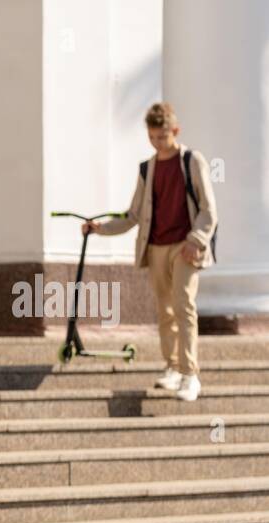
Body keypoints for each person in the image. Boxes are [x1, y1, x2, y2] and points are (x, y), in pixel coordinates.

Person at [86, 101, 218, 402]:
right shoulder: (147, 168)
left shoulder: (192, 161)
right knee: (164, 311)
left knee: (184, 305)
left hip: (185, 248)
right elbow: (133, 215)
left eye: (163, 136)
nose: (158, 142)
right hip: (156, 247)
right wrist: (99, 228)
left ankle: (190, 374)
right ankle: (172, 367)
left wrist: (195, 240)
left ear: (175, 130)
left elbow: (209, 210)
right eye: (152, 137)